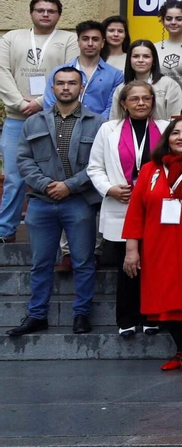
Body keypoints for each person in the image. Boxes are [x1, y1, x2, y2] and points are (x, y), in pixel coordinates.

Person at [5, 69, 103, 337]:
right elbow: (23, 159)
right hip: (40, 201)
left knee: (83, 261)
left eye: (72, 83)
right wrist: (46, 185)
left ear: (81, 88)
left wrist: (68, 186)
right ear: (52, 87)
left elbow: (98, 164)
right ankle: (37, 315)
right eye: (60, 83)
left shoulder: (98, 122)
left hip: (79, 201)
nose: (66, 88)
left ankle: (81, 315)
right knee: (40, 263)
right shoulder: (34, 122)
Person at [120, 116, 182, 372]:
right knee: (164, 298)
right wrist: (131, 249)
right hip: (158, 248)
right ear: (167, 138)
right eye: (176, 133)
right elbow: (136, 211)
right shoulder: (151, 168)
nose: (181, 137)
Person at [44, 20, 118, 116]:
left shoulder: (115, 75)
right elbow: (49, 104)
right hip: (62, 127)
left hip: (100, 128)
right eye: (85, 39)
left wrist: (95, 125)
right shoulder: (59, 72)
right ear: (78, 41)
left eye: (95, 39)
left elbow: (112, 108)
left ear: (102, 43)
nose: (90, 43)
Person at [113, 40, 182, 119]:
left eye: (146, 56)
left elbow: (176, 119)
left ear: (153, 60)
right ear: (129, 60)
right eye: (136, 56)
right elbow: (115, 120)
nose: (140, 60)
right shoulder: (121, 88)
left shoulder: (169, 85)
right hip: (128, 131)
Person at [154, 0, 182, 90]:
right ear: (163, 21)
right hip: (159, 102)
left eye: (178, 19)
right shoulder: (154, 48)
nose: (173, 22)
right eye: (168, 19)